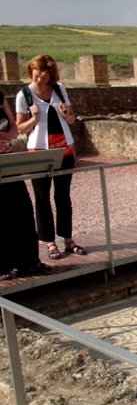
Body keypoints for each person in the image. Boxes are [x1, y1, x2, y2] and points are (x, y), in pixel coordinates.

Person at [15, 54, 86, 260]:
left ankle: (67, 239)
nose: (41, 81)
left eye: (45, 77)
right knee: (42, 198)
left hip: (64, 149)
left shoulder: (59, 89)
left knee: (63, 196)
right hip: (39, 151)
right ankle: (49, 241)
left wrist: (67, 115)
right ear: (31, 72)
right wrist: (34, 119)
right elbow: (19, 127)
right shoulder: (24, 95)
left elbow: (71, 119)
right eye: (37, 76)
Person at [0, 90, 49, 280]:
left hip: (7, 159)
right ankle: (3, 265)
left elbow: (14, 126)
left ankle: (28, 261)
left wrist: (8, 138)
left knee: (22, 209)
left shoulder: (0, 95)